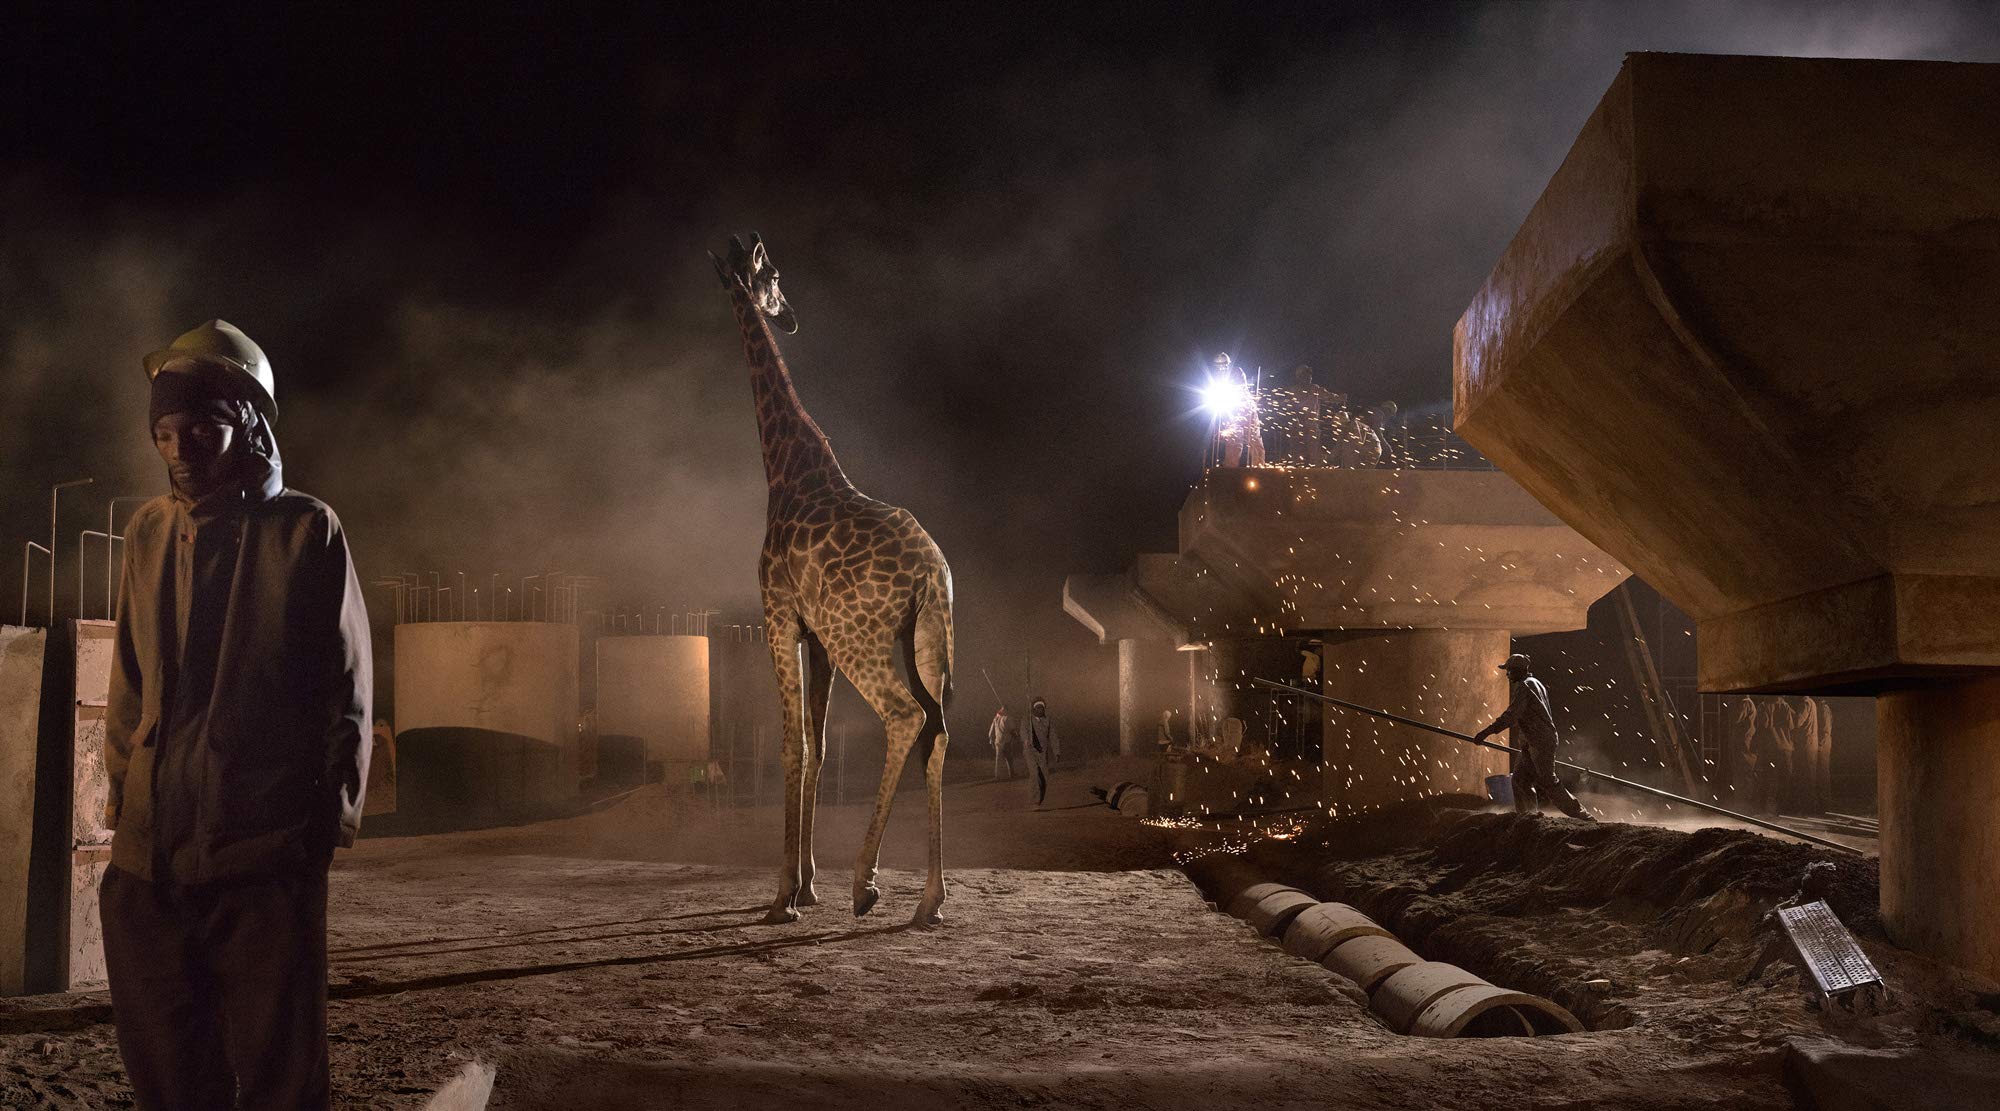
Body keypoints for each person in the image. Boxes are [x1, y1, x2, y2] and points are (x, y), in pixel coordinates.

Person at [101, 319, 371, 1111]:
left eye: (200, 428)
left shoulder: (305, 531)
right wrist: (126, 798)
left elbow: (346, 692)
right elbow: (128, 679)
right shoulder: (149, 530)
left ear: (247, 424)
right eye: (164, 431)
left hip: (261, 861)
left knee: (281, 1079)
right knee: (169, 1074)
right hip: (148, 865)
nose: (180, 447)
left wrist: (322, 827)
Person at [1471, 653, 1592, 820]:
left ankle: (1583, 816)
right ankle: (1528, 817)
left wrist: (1486, 732)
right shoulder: (1535, 683)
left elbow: (1512, 715)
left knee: (1548, 781)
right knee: (1520, 780)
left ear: (1517, 671)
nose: (1507, 675)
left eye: (1509, 671)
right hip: (1531, 741)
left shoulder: (1524, 687)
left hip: (1540, 741)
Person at [1210, 353, 1266, 467]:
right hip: (1232, 413)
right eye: (1218, 366)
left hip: (1247, 410)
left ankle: (1259, 467)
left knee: (1254, 438)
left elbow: (1238, 389)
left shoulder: (1237, 372)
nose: (1221, 369)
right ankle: (1230, 468)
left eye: (1223, 366)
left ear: (1228, 365)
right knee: (1233, 441)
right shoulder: (1215, 378)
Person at [1024, 696, 1060, 807]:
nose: (1041, 710)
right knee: (1034, 774)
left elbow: (1053, 737)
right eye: (1038, 708)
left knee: (1044, 777)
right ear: (1034, 709)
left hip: (1043, 753)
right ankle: (1034, 800)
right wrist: (1026, 740)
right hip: (1030, 752)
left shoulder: (1048, 721)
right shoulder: (1027, 720)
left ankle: (1039, 799)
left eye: (1042, 708)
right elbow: (1023, 732)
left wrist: (1057, 751)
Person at [988, 706, 1016, 780]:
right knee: (1009, 758)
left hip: (998, 741)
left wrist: (991, 739)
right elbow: (1012, 730)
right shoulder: (1008, 718)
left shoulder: (996, 718)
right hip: (1007, 741)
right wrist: (1016, 736)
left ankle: (997, 776)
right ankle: (1012, 774)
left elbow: (991, 730)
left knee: (999, 759)